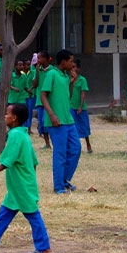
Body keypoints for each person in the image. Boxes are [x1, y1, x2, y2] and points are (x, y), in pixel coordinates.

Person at [0, 103, 52, 253]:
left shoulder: (15, 135)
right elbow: (34, 162)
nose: (4, 116)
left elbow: (9, 159)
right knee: (5, 213)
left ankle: (44, 248)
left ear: (14, 118)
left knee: (33, 215)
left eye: (7, 114)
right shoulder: (23, 134)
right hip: (20, 185)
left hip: (21, 185)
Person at [39, 49, 80, 194]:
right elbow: (43, 95)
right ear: (63, 61)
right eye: (70, 61)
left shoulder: (65, 76)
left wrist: (72, 83)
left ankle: (64, 179)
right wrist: (51, 114)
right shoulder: (51, 74)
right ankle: (59, 186)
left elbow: (66, 97)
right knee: (60, 153)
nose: (72, 64)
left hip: (68, 120)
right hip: (56, 122)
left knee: (75, 150)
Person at [32, 52, 53, 150]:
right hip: (40, 101)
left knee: (47, 121)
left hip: (50, 101)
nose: (38, 60)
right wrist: (37, 72)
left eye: (39, 58)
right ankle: (47, 143)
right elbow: (35, 85)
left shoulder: (52, 70)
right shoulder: (38, 70)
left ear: (45, 59)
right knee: (42, 123)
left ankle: (53, 141)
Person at [70, 59, 92, 154]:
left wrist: (80, 106)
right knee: (73, 126)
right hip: (70, 106)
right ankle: (75, 146)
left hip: (80, 107)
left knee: (84, 126)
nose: (73, 69)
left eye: (74, 67)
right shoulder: (67, 79)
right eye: (71, 67)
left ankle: (88, 144)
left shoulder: (82, 80)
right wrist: (72, 81)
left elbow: (83, 93)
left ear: (78, 69)